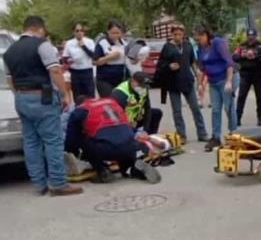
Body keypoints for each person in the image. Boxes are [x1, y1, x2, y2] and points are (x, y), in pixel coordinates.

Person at [2, 16, 83, 196]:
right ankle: (58, 183)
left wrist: (20, 95)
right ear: (39, 29)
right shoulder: (41, 44)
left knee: (30, 142)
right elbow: (54, 70)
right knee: (52, 140)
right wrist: (64, 94)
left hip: (22, 98)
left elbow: (9, 79)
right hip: (43, 98)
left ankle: (39, 184)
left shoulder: (9, 51)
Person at [64, 96, 160, 184]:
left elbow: (71, 139)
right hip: (130, 146)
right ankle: (133, 167)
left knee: (84, 139)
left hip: (106, 149)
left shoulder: (80, 110)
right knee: (120, 145)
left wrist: (73, 153)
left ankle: (102, 171)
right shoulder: (112, 102)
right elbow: (128, 126)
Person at [155, 24, 208, 144]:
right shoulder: (167, 47)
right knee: (177, 111)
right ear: (171, 35)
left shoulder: (187, 46)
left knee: (195, 108)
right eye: (175, 34)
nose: (178, 37)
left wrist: (198, 77)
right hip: (173, 83)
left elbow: (192, 63)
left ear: (183, 34)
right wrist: (169, 66)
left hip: (187, 81)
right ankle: (181, 135)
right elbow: (160, 65)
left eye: (180, 34)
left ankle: (202, 133)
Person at [196, 25, 238, 152]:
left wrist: (229, 81)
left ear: (205, 35)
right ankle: (216, 137)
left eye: (199, 39)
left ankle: (234, 134)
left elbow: (229, 62)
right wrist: (200, 84)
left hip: (227, 78)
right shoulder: (201, 48)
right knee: (215, 109)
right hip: (213, 81)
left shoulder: (218, 43)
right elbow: (202, 68)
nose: (198, 42)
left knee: (228, 107)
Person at [233, 29, 261, 126]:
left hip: (258, 74)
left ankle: (260, 118)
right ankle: (238, 118)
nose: (251, 38)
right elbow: (234, 57)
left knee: (259, 97)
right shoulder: (242, 45)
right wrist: (243, 56)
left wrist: (256, 56)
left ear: (256, 36)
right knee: (241, 96)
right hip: (245, 75)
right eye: (249, 36)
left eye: (253, 37)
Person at [94, 20, 128, 97]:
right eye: (113, 33)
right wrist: (110, 57)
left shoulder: (125, 44)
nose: (115, 35)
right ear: (108, 32)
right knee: (110, 102)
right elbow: (94, 62)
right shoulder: (102, 43)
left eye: (118, 33)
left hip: (121, 79)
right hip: (105, 80)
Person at [62, 22, 96, 99]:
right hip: (75, 72)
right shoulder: (69, 43)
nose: (79, 33)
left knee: (90, 95)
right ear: (74, 32)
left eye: (81, 30)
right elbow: (64, 58)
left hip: (87, 71)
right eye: (77, 31)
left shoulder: (89, 41)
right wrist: (69, 60)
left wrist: (84, 46)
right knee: (77, 96)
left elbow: (94, 56)